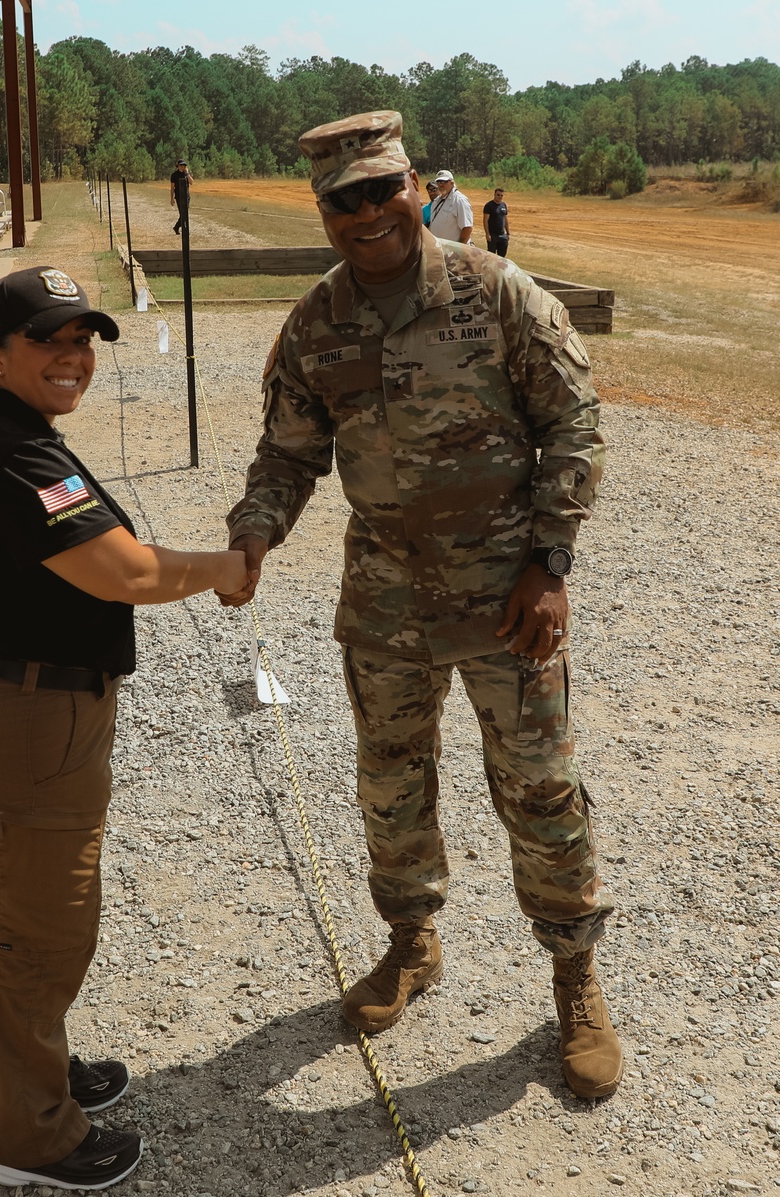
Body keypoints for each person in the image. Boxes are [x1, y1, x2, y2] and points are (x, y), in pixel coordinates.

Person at [221, 111, 622, 1100]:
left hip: (506, 596)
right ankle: (411, 943)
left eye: (379, 191)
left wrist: (551, 562)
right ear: (321, 212)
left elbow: (572, 422)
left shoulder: (494, 293)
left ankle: (574, 976)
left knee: (537, 786)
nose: (365, 214)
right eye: (341, 200)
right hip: (386, 601)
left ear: (416, 188)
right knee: (391, 783)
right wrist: (253, 532)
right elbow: (287, 452)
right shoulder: (316, 322)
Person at [0, 265, 247, 1189]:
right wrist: (222, 565)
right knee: (40, 930)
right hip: (30, 718)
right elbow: (123, 572)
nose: (73, 356)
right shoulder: (17, 449)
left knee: (15, 909)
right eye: (50, 339)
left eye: (83, 339)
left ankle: (32, 1076)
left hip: (28, 702)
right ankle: (30, 1138)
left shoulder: (8, 431)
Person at [427, 168, 473, 243]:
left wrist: (459, 249)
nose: (441, 184)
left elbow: (467, 228)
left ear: (452, 183)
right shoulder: (436, 201)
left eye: (444, 182)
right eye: (438, 182)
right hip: (440, 248)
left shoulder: (459, 200)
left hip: (454, 251)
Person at [483, 186, 511, 256]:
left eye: (501, 195)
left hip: (502, 235)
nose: (500, 197)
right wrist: (487, 234)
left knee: (502, 258)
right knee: (491, 256)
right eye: (498, 195)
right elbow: (485, 221)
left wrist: (508, 233)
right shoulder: (489, 205)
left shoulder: (503, 205)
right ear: (494, 195)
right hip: (493, 235)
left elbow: (505, 219)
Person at [169, 158, 194, 235]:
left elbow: (191, 182)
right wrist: (172, 198)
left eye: (184, 165)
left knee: (185, 213)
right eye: (181, 165)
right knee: (183, 214)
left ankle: (177, 227)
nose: (183, 167)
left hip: (186, 196)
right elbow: (172, 187)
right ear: (178, 166)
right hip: (179, 197)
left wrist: (187, 173)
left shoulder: (186, 174)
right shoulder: (174, 175)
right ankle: (182, 229)